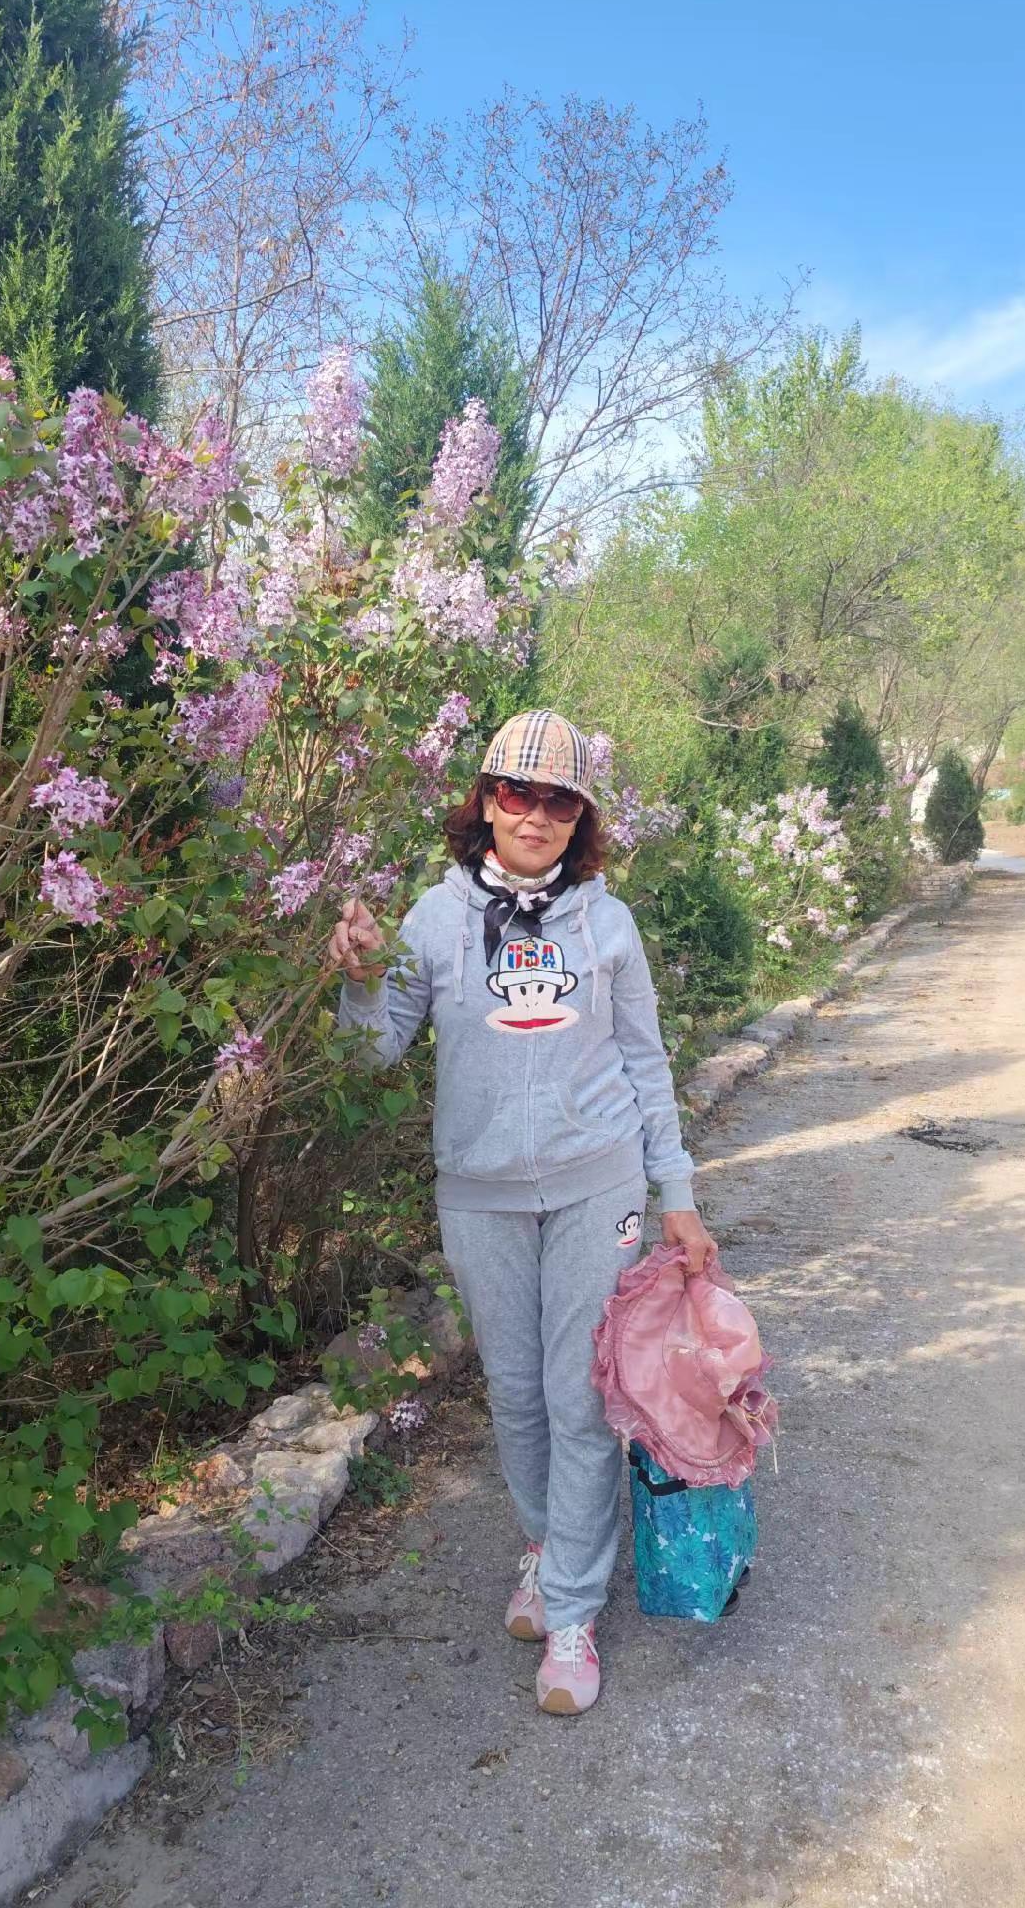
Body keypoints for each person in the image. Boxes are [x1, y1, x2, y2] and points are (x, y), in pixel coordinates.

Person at [327, 709, 716, 1715]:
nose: (535, 815)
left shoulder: (608, 925)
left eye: (558, 800)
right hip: (480, 1194)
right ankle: (547, 1546)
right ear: (487, 801)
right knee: (516, 1392)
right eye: (516, 793)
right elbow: (371, 1053)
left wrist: (675, 1193)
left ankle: (574, 1613)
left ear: (580, 816)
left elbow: (645, 1063)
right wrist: (361, 978)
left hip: (597, 1185)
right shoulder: (432, 918)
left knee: (579, 1395)